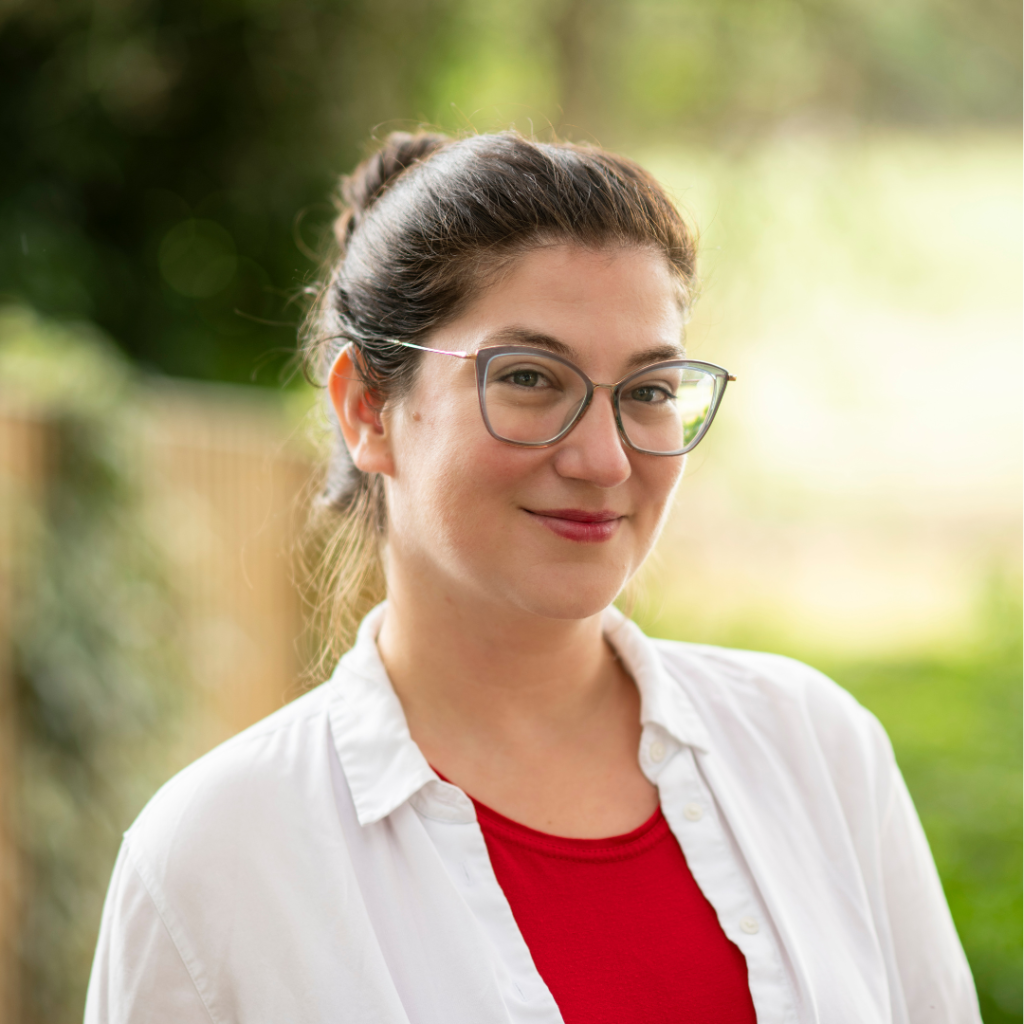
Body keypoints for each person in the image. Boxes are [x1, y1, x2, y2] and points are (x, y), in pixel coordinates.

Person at [85, 131, 980, 1024]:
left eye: (651, 390)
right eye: (528, 378)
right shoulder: (219, 859)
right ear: (368, 410)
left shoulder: (817, 751)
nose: (603, 458)